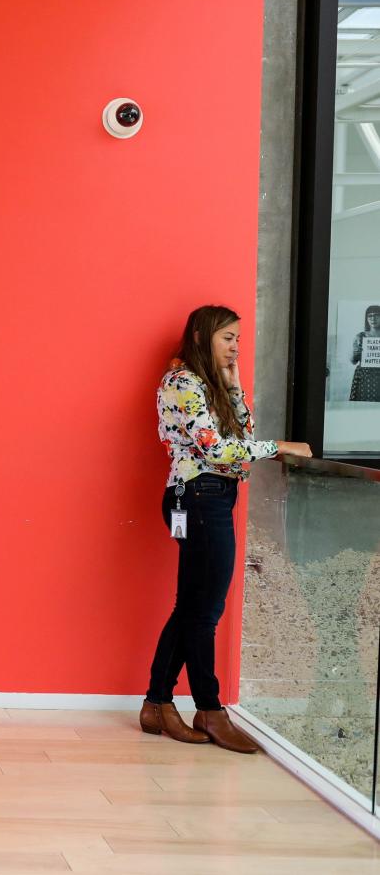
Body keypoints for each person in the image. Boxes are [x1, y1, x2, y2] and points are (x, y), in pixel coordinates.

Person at [140, 305, 312, 752]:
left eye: (238, 338)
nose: (235, 346)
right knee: (205, 611)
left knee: (192, 608)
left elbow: (241, 431)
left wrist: (235, 387)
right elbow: (218, 451)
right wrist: (279, 447)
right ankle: (210, 709)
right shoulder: (182, 383)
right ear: (199, 336)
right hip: (197, 496)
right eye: (226, 337)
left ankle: (157, 705)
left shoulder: (210, 386)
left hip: (210, 498)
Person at [348, 305, 380, 402]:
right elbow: (353, 361)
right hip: (364, 378)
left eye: (376, 315)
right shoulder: (360, 336)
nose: (373, 318)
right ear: (366, 319)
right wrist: (356, 353)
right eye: (370, 316)